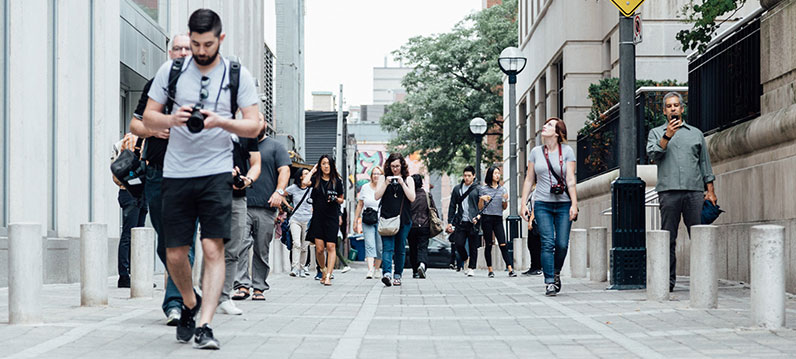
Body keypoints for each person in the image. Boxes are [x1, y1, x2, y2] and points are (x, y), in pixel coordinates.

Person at [142, 9, 262, 349]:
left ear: (220, 39)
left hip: (216, 172)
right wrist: (171, 119)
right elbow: (148, 117)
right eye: (195, 44)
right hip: (177, 172)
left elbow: (254, 125)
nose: (200, 50)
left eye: (207, 44)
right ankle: (190, 304)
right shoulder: (172, 70)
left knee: (212, 248)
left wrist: (221, 122)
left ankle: (206, 324)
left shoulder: (237, 74)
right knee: (175, 253)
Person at [129, 33, 193, 325]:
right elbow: (134, 124)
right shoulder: (155, 86)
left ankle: (175, 303)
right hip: (156, 171)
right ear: (170, 53)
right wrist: (153, 131)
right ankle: (183, 289)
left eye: (186, 49)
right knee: (165, 241)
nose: (181, 53)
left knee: (184, 240)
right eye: (177, 48)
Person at [646, 92, 716, 292]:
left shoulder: (696, 133)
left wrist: (710, 191)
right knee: (668, 237)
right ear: (664, 110)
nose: (673, 108)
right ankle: (667, 281)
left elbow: (705, 163)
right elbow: (653, 154)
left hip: (694, 191)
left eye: (676, 105)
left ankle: (703, 280)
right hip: (668, 192)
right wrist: (667, 136)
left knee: (699, 236)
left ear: (682, 108)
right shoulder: (656, 133)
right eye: (669, 106)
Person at [234, 117, 291, 301]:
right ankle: (242, 285)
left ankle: (259, 287)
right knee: (240, 245)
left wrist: (279, 192)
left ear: (265, 124)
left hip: (266, 206)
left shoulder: (276, 147)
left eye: (258, 120)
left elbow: (285, 171)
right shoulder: (239, 144)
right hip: (241, 203)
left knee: (261, 248)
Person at [520, 118, 578, 297]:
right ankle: (549, 282)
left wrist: (574, 204)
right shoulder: (536, 152)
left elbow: (570, 179)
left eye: (550, 125)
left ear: (558, 132)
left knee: (561, 244)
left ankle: (556, 272)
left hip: (563, 204)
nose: (544, 126)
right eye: (545, 123)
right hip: (542, 203)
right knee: (547, 243)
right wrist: (523, 203)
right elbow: (530, 179)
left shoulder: (567, 151)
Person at [217, 132, 261, 316]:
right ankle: (206, 294)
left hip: (237, 197)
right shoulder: (207, 125)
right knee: (211, 246)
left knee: (234, 249)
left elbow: (256, 163)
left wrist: (247, 179)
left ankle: (224, 298)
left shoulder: (246, 132)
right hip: (211, 194)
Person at [111, 133, 148, 289]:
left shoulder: (146, 138)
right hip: (131, 191)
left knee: (138, 235)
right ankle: (124, 276)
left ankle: (135, 275)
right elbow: (130, 166)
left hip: (138, 191)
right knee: (129, 234)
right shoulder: (134, 138)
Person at [374, 153, 415, 287]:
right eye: (392, 166)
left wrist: (403, 184)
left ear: (402, 166)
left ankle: (398, 275)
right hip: (386, 218)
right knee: (387, 248)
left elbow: (412, 198)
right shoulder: (383, 178)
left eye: (397, 166)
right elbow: (376, 196)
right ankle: (387, 274)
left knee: (400, 248)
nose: (395, 169)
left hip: (403, 219)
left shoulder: (408, 179)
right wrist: (386, 183)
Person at [303, 155, 345, 286]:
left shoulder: (337, 181)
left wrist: (335, 199)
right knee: (319, 249)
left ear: (332, 165)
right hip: (318, 217)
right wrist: (312, 170)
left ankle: (328, 276)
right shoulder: (315, 179)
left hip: (331, 217)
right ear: (320, 166)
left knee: (331, 246)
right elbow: (304, 182)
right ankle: (323, 269)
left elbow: (341, 198)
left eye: (328, 163)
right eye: (323, 164)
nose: (326, 166)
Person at [477, 166, 516, 278]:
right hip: (487, 218)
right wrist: (481, 199)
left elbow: (504, 207)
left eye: (498, 173)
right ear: (490, 175)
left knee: (503, 243)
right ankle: (490, 270)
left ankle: (510, 269)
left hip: (498, 218)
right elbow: (480, 208)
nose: (497, 175)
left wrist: (505, 200)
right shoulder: (483, 189)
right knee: (489, 244)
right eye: (495, 173)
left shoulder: (503, 189)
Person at [446, 166, 481, 277]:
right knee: (458, 244)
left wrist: (479, 217)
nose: (466, 178)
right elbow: (452, 206)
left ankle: (471, 267)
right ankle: (466, 258)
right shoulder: (457, 189)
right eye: (465, 175)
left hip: (473, 221)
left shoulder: (478, 189)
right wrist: (450, 222)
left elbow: (482, 206)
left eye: (469, 176)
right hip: (461, 221)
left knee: (473, 246)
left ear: (474, 176)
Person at [355, 166, 384, 279]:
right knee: (369, 244)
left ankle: (377, 269)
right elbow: (360, 204)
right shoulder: (365, 187)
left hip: (381, 220)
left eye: (378, 174)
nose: (376, 176)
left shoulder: (384, 188)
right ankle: (370, 270)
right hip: (367, 219)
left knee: (380, 247)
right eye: (374, 174)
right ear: (371, 176)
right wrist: (355, 220)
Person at [285, 168, 313, 277]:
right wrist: (288, 206)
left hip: (307, 219)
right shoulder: (294, 188)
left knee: (305, 246)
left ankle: (302, 268)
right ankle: (295, 268)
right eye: (306, 174)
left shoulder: (312, 189)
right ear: (301, 177)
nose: (308, 175)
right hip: (295, 219)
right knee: (296, 243)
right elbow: (281, 193)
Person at [407, 174, 436, 279]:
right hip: (425, 225)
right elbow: (433, 209)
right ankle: (422, 264)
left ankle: (415, 271)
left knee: (413, 248)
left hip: (411, 226)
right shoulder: (427, 195)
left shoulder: (409, 196)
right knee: (423, 247)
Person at [521, 189, 543, 276]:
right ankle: (533, 267)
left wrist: (530, 221)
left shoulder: (539, 189)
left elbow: (536, 206)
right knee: (531, 244)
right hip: (535, 219)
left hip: (537, 220)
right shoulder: (533, 191)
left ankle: (538, 268)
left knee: (535, 245)